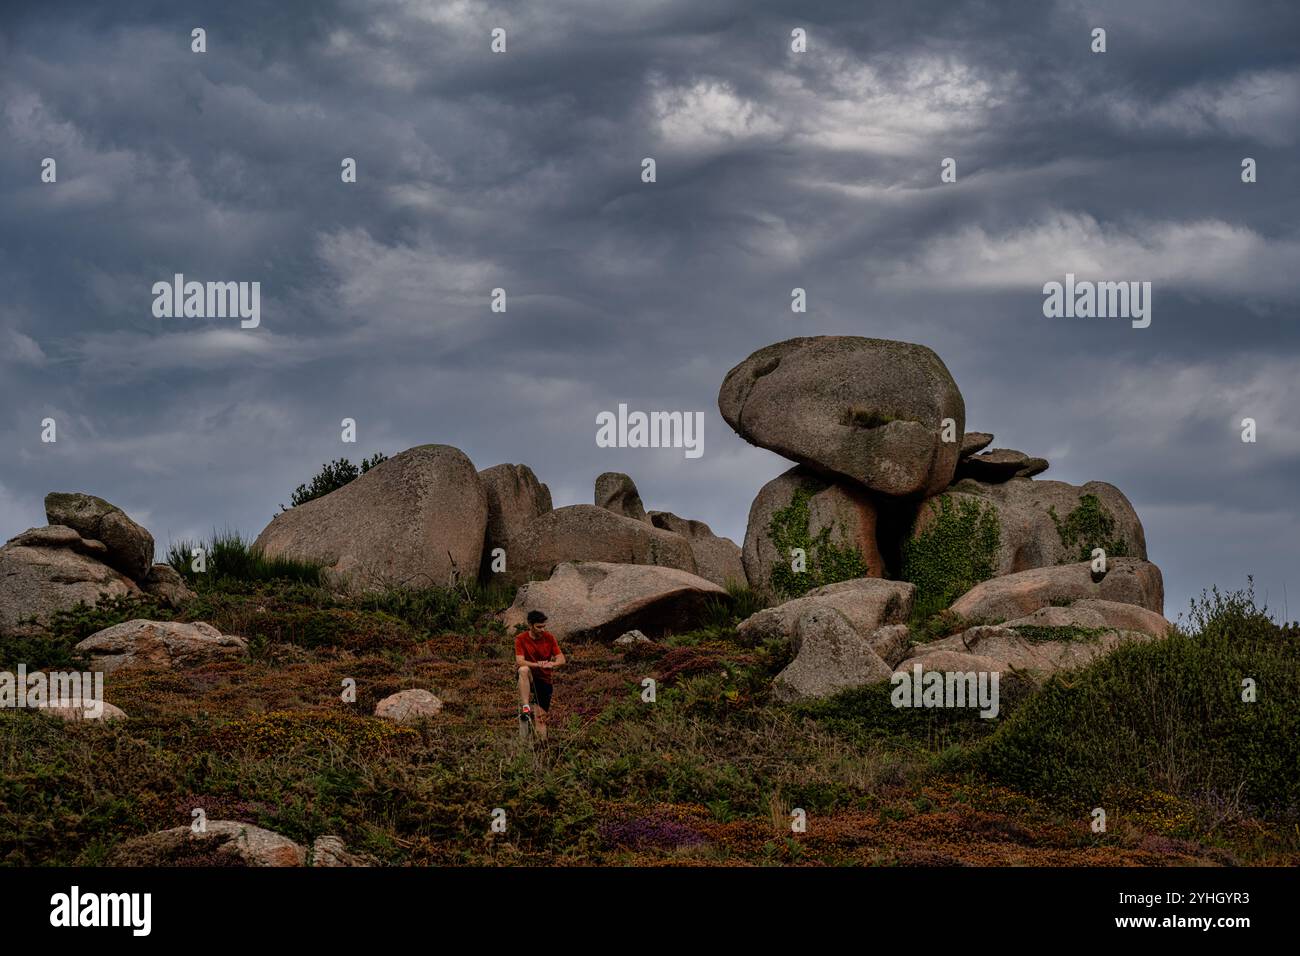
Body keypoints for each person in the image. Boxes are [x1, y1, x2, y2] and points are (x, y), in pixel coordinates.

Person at [514, 610, 564, 740]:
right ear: (530, 625)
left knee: (540, 720)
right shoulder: (521, 638)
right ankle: (525, 706)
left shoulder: (549, 638)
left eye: (544, 626)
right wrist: (538, 665)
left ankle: (541, 747)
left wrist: (552, 664)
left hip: (544, 680)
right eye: (539, 627)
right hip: (529, 676)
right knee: (523, 670)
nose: (542, 629)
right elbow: (519, 661)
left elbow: (562, 659)